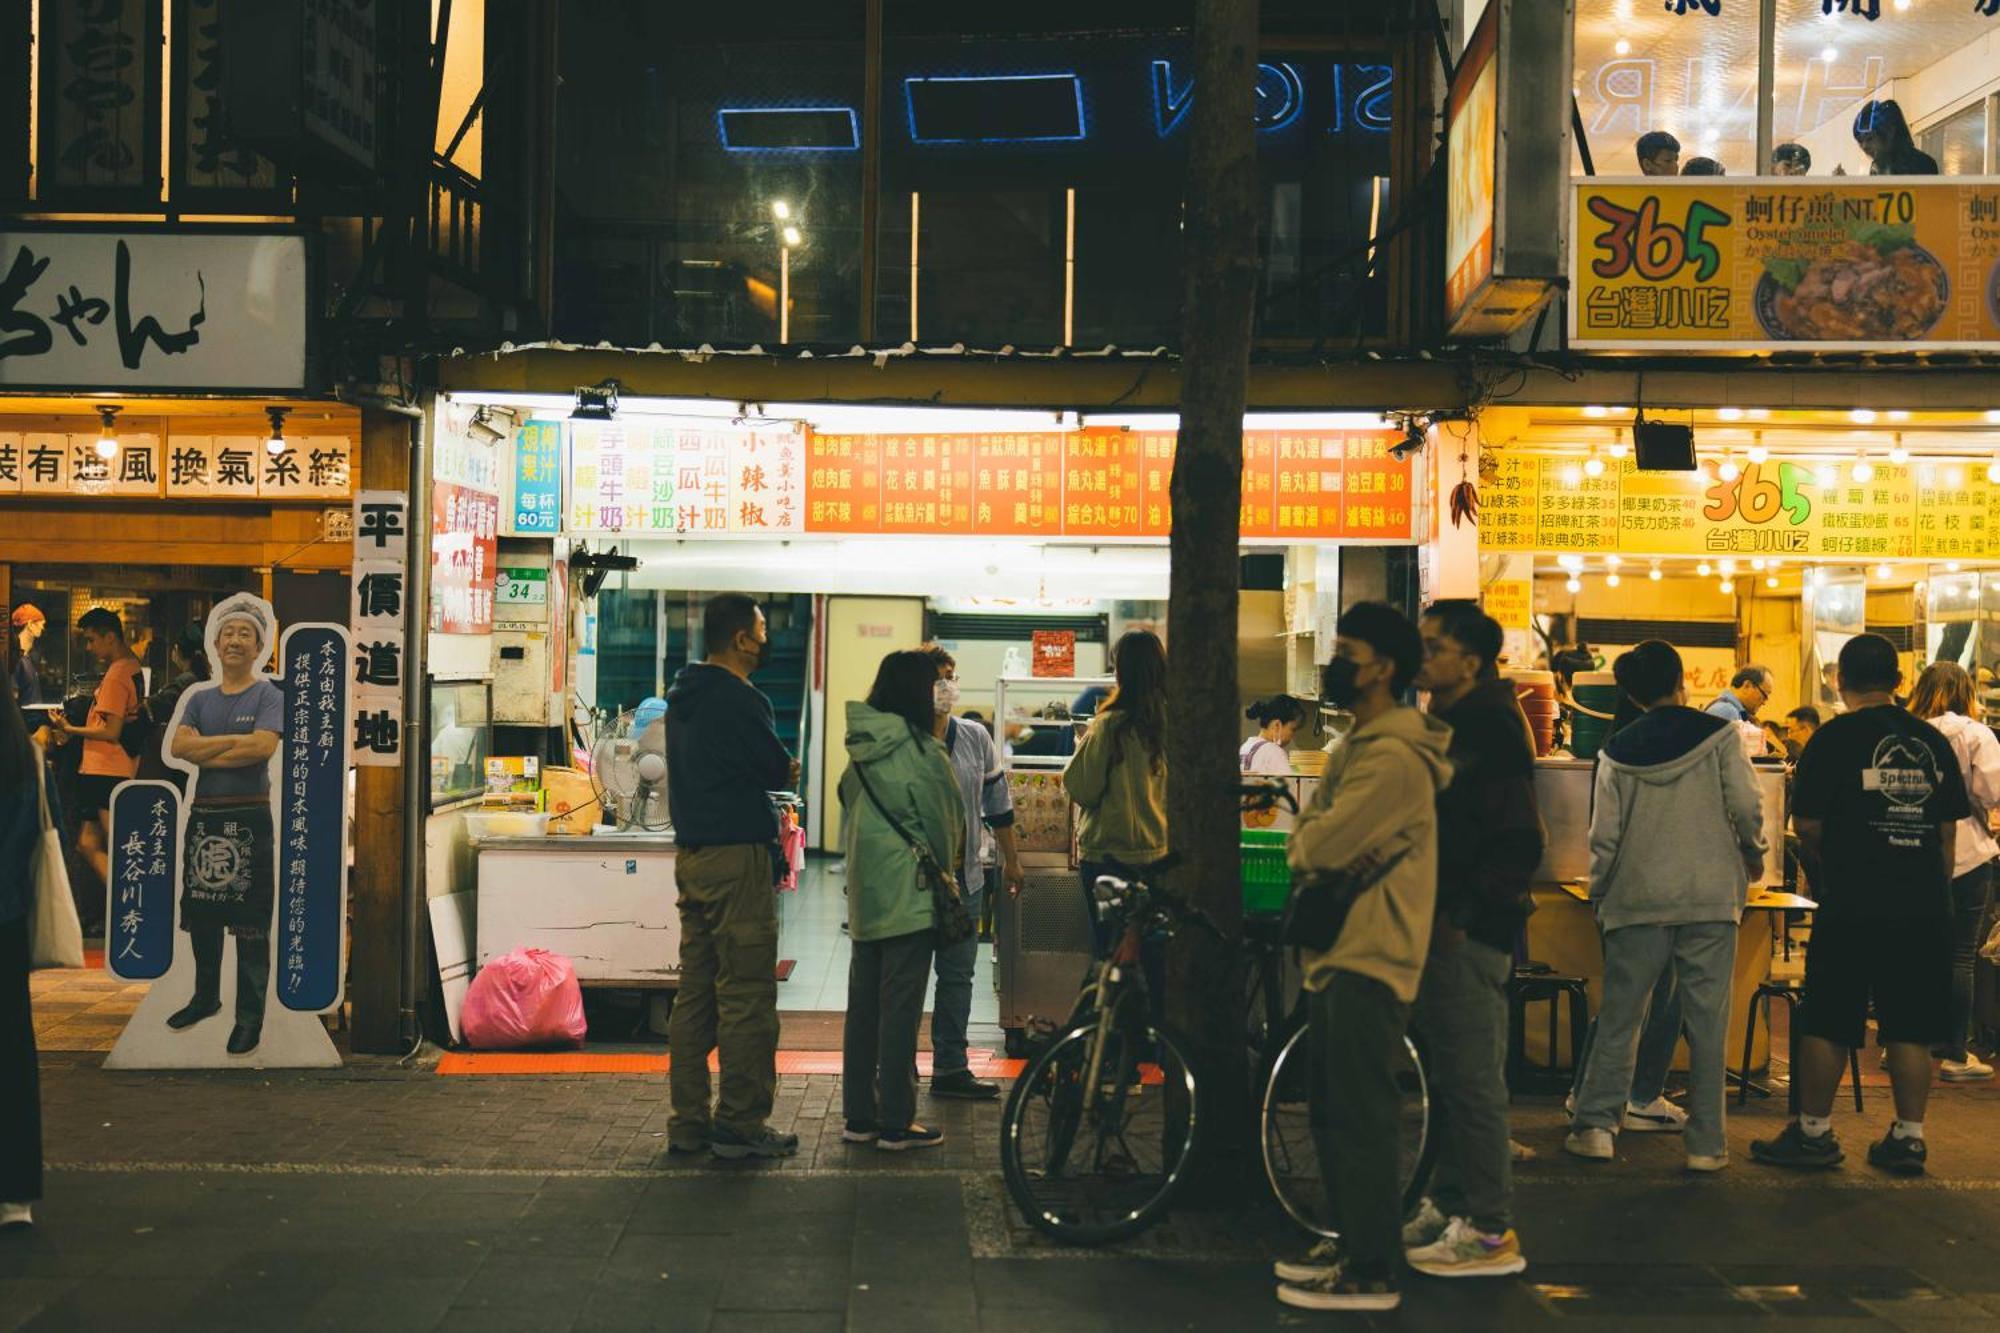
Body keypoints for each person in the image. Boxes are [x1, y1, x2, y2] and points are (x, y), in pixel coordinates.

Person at [1273, 604, 1453, 1313]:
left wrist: (1309, 835)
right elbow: (1315, 832)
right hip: (1342, 951)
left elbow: (1314, 844)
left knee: (1361, 1116)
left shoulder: (1392, 758)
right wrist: (1312, 832)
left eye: (1348, 650)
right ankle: (1352, 1249)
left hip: (1372, 952)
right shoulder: (1360, 746)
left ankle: (1371, 1271)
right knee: (1332, 1114)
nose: (1337, 661)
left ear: (1382, 668)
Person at [1755, 634, 1968, 1176]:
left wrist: (1839, 871)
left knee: (1829, 1016)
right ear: (1899, 683)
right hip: (1922, 902)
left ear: (1839, 680)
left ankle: (1814, 1134)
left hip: (1853, 899)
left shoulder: (1833, 740)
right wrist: (1931, 891)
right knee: (1910, 1023)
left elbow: (1807, 826)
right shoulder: (1931, 742)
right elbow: (1946, 836)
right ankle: (1910, 1138)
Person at [1567, 641, 1766, 1172]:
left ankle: (1595, 1130)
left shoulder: (1616, 751)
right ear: (1682, 680)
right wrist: (1753, 857)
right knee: (1707, 1024)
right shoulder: (1722, 735)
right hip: (1710, 896)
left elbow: (1602, 838)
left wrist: (1601, 890)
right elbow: (1748, 807)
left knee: (1621, 1018)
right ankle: (1706, 1145)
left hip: (1636, 898)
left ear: (1630, 693)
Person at [1401, 602, 1540, 1279]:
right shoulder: (1459, 719)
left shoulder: (1487, 724)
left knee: (1473, 1080)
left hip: (1468, 930)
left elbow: (1518, 838)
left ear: (1471, 660)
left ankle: (1489, 1230)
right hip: (1444, 924)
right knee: (1450, 1077)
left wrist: (1461, 912)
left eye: (1434, 645)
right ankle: (1450, 1204)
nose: (1421, 655)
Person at [664, 594, 800, 1161]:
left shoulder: (682, 696)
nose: (767, 640)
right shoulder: (742, 699)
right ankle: (741, 1123)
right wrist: (783, 765)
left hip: (692, 857)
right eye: (762, 630)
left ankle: (688, 1122)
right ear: (742, 639)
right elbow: (776, 767)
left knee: (694, 995)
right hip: (736, 858)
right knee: (746, 993)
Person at [840, 650, 964, 1151]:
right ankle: (896, 1121)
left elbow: (848, 799)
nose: (945, 694)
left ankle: (859, 1117)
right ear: (920, 692)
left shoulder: (863, 746)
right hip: (909, 895)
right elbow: (944, 829)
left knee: (863, 1010)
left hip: (866, 894)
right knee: (901, 1010)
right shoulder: (923, 752)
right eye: (938, 685)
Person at [164, 597, 283, 1056]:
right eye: (228, 634)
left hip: (249, 817)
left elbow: (261, 749)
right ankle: (204, 997)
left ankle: (249, 1017)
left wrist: (209, 746)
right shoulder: (198, 697)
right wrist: (236, 742)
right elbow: (178, 747)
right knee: (204, 915)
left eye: (245, 635)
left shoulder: (269, 694)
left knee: (252, 922)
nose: (235, 641)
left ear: (259, 647)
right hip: (205, 815)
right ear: (214, 644)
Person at [919, 644, 1025, 1101]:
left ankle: (950, 1067)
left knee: (958, 976)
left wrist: (1012, 860)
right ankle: (897, 1065)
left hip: (966, 879)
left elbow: (997, 807)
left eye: (952, 675)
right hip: (916, 881)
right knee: (906, 977)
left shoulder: (975, 737)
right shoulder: (904, 737)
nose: (949, 685)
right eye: (941, 677)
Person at [1906, 663, 2000, 1082]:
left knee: (1911, 951)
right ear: (1966, 691)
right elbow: (1992, 791)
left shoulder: (1906, 730)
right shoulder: (1976, 734)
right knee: (1960, 954)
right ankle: (1956, 1055)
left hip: (1908, 851)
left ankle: (1904, 1046)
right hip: (1966, 851)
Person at [1065, 630, 1170, 965]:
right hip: (1159, 857)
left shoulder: (1108, 725)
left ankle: (1109, 1013)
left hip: (1107, 858)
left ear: (1120, 671)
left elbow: (1082, 788)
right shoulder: (1175, 723)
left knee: (1110, 953)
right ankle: (1152, 1015)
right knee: (1153, 954)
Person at [47, 607, 143, 918]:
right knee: (87, 842)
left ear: (110, 636)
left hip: (107, 769)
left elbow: (111, 731)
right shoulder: (131, 668)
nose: (89, 648)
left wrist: (69, 729)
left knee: (117, 843)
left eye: (91, 640)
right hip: (103, 769)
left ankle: (130, 903)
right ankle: (124, 901)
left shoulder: (117, 674)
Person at [1, 669, 44, 1229]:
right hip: (5, 915)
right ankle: (14, 1195)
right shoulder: (19, 753)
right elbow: (29, 828)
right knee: (11, 1048)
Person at [1241, 695, 1305, 831]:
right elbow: (1289, 795)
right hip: (1266, 827)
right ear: (1277, 725)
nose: (1292, 736)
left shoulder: (1245, 746)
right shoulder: (1274, 752)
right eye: (1292, 729)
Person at [1853, 100, 1938, 176]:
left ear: (1890, 132)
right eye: (1860, 141)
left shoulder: (1922, 164)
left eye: (1870, 139)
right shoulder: (1876, 168)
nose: (1864, 146)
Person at [1707, 665, 1774, 725]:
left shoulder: (1730, 710)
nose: (1764, 702)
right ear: (1747, 686)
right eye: (1764, 695)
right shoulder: (1727, 711)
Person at [9, 604, 44, 707]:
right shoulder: (17, 659)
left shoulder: (28, 658)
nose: (43, 628)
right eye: (41, 624)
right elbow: (13, 699)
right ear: (30, 624)